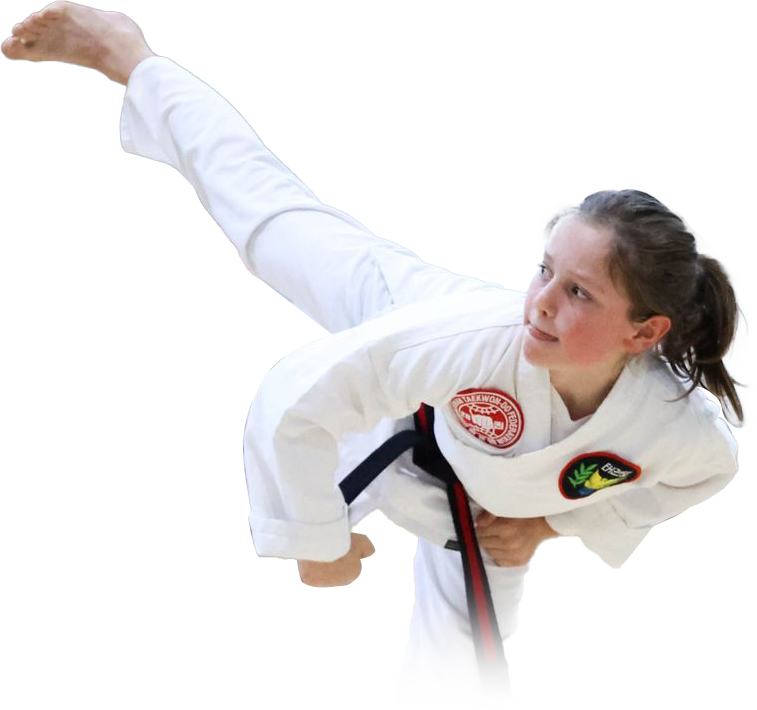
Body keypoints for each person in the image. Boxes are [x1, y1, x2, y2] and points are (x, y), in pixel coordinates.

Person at [0, 4, 744, 707]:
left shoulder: (679, 426)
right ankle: (132, 55)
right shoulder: (478, 339)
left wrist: (553, 526)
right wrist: (315, 543)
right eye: (543, 269)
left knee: (458, 684)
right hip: (403, 313)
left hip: (477, 511)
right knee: (266, 215)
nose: (542, 303)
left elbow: (689, 478)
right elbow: (294, 398)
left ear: (644, 333)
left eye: (579, 293)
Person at [558, 0, 753, 536]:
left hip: (686, 178)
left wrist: (636, 26)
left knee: (686, 332)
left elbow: (729, 66)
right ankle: (580, 488)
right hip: (606, 173)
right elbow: (587, 56)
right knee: (589, 338)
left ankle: (690, 489)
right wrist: (681, 66)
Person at [115, 186, 350, 629]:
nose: (215, 262)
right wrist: (242, 392)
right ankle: (218, 573)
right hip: (186, 549)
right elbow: (152, 379)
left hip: (286, 539)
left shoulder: (301, 324)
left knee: (339, 405)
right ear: (183, 260)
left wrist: (280, 398)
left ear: (261, 256)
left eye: (229, 245)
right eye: (199, 247)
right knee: (181, 406)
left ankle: (318, 571)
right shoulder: (160, 326)